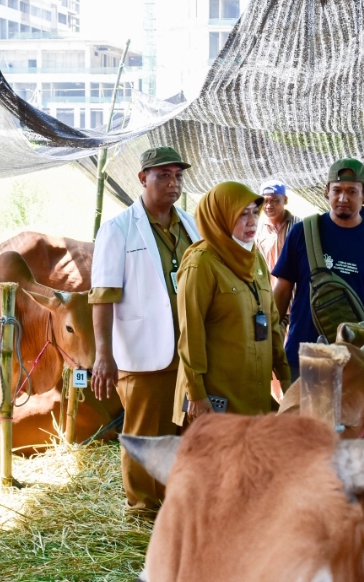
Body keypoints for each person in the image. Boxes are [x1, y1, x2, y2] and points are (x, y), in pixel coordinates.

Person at [89, 146, 200, 513]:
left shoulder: (190, 223)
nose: (173, 183)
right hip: (141, 351)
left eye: (178, 176)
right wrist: (103, 355)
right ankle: (141, 508)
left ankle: (174, 502)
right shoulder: (118, 229)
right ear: (143, 178)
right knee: (143, 433)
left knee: (182, 431)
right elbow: (102, 296)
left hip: (187, 350)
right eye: (164, 175)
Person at [272, 158, 364, 380]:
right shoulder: (303, 232)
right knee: (302, 416)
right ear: (327, 191)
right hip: (305, 354)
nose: (343, 198)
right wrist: (269, 340)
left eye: (352, 192)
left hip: (358, 359)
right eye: (337, 190)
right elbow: (283, 290)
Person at [173, 182, 291, 425]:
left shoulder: (254, 257)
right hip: (215, 401)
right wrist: (196, 394)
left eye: (253, 213)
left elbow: (272, 321)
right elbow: (191, 333)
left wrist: (286, 379)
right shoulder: (201, 263)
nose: (251, 221)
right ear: (220, 217)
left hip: (253, 394)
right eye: (242, 214)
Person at [254, 180, 302, 288]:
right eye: (265, 201)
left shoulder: (299, 226)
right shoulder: (257, 229)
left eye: (275, 200)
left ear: (285, 200)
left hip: (294, 293)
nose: (269, 206)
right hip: (268, 292)